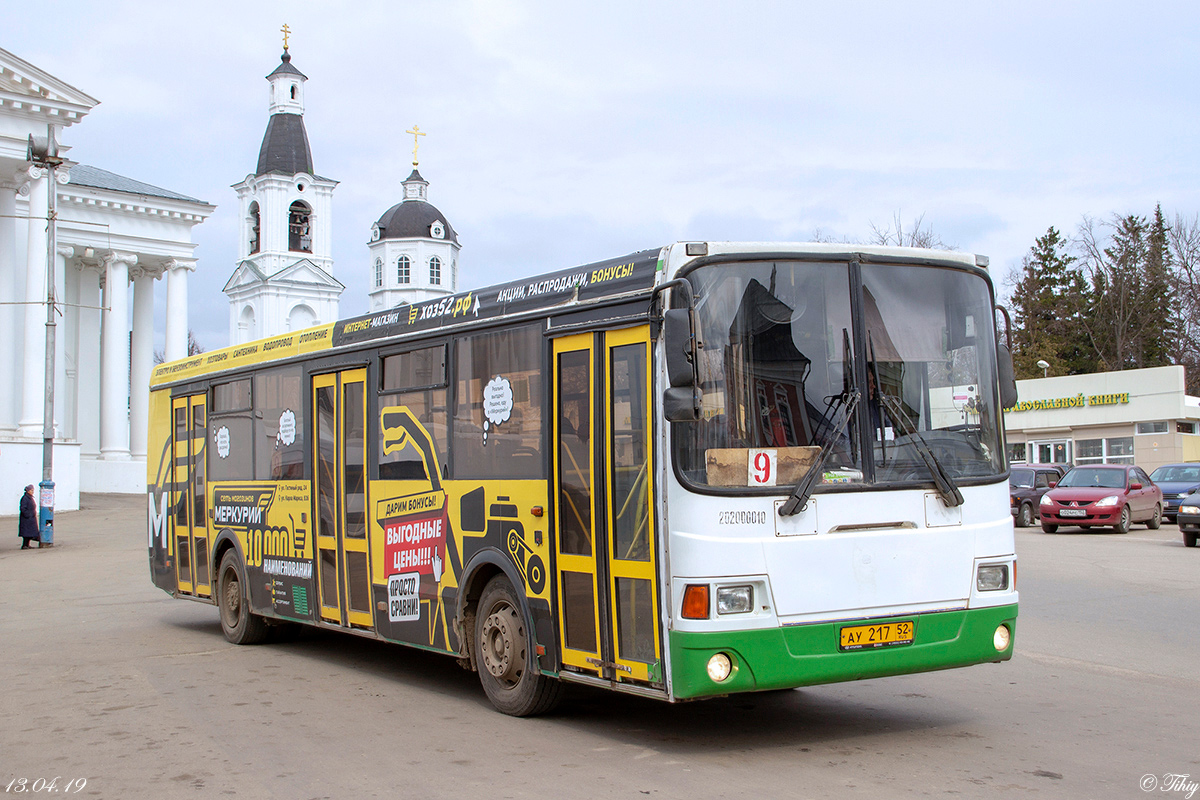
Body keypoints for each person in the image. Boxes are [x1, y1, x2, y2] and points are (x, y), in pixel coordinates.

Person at [18, 484, 39, 549]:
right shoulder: (25, 498)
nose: (33, 491)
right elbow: (23, 508)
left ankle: (27, 545)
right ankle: (25, 545)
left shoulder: (29, 497)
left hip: (30, 518)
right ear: (28, 491)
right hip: (27, 519)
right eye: (31, 490)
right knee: (27, 532)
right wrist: (28, 515)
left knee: (29, 532)